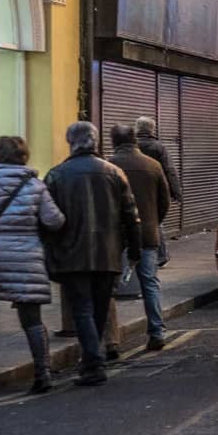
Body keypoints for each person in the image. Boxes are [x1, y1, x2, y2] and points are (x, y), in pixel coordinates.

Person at [45, 122, 142, 386]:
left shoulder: (56, 175)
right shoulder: (115, 173)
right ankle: (91, 361)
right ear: (95, 141)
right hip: (108, 253)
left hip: (72, 254)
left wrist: (50, 251)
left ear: (70, 141)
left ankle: (93, 362)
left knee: (83, 310)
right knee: (98, 309)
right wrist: (134, 250)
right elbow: (131, 216)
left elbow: (46, 219)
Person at [0, 136, 65, 392]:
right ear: (23, 156)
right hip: (27, 255)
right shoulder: (36, 186)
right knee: (31, 316)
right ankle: (42, 372)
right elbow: (54, 221)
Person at [108, 124, 171, 350]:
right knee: (150, 283)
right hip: (147, 233)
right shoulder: (153, 165)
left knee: (109, 287)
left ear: (114, 141)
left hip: (116, 237)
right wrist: (154, 220)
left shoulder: (109, 166)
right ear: (135, 140)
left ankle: (111, 341)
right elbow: (164, 202)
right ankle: (156, 331)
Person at [134, 116, 181, 268]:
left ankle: (137, 253)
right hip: (154, 190)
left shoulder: (131, 145)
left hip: (133, 189)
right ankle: (161, 256)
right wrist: (175, 191)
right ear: (152, 129)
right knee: (156, 221)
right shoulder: (158, 147)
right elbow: (169, 169)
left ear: (137, 128)